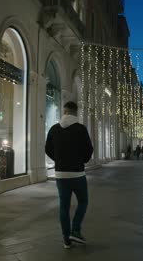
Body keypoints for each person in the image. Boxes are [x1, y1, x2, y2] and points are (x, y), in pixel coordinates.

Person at [45, 102, 94, 249]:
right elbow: (89, 150)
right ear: (75, 112)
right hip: (77, 173)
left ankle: (66, 240)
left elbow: (48, 149)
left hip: (61, 175)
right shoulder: (81, 129)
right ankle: (76, 230)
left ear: (64, 111)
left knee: (64, 207)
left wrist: (59, 160)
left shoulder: (54, 129)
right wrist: (82, 160)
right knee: (83, 202)